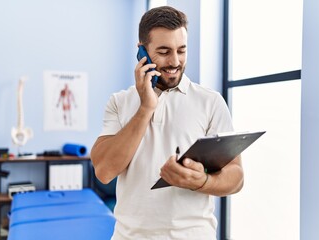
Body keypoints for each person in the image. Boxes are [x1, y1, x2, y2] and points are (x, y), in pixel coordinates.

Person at [91, 6, 243, 240]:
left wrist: (201, 181)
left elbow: (236, 177)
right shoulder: (119, 102)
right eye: (164, 51)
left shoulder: (210, 102)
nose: (175, 61)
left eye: (181, 50)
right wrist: (145, 108)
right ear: (142, 51)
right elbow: (104, 171)